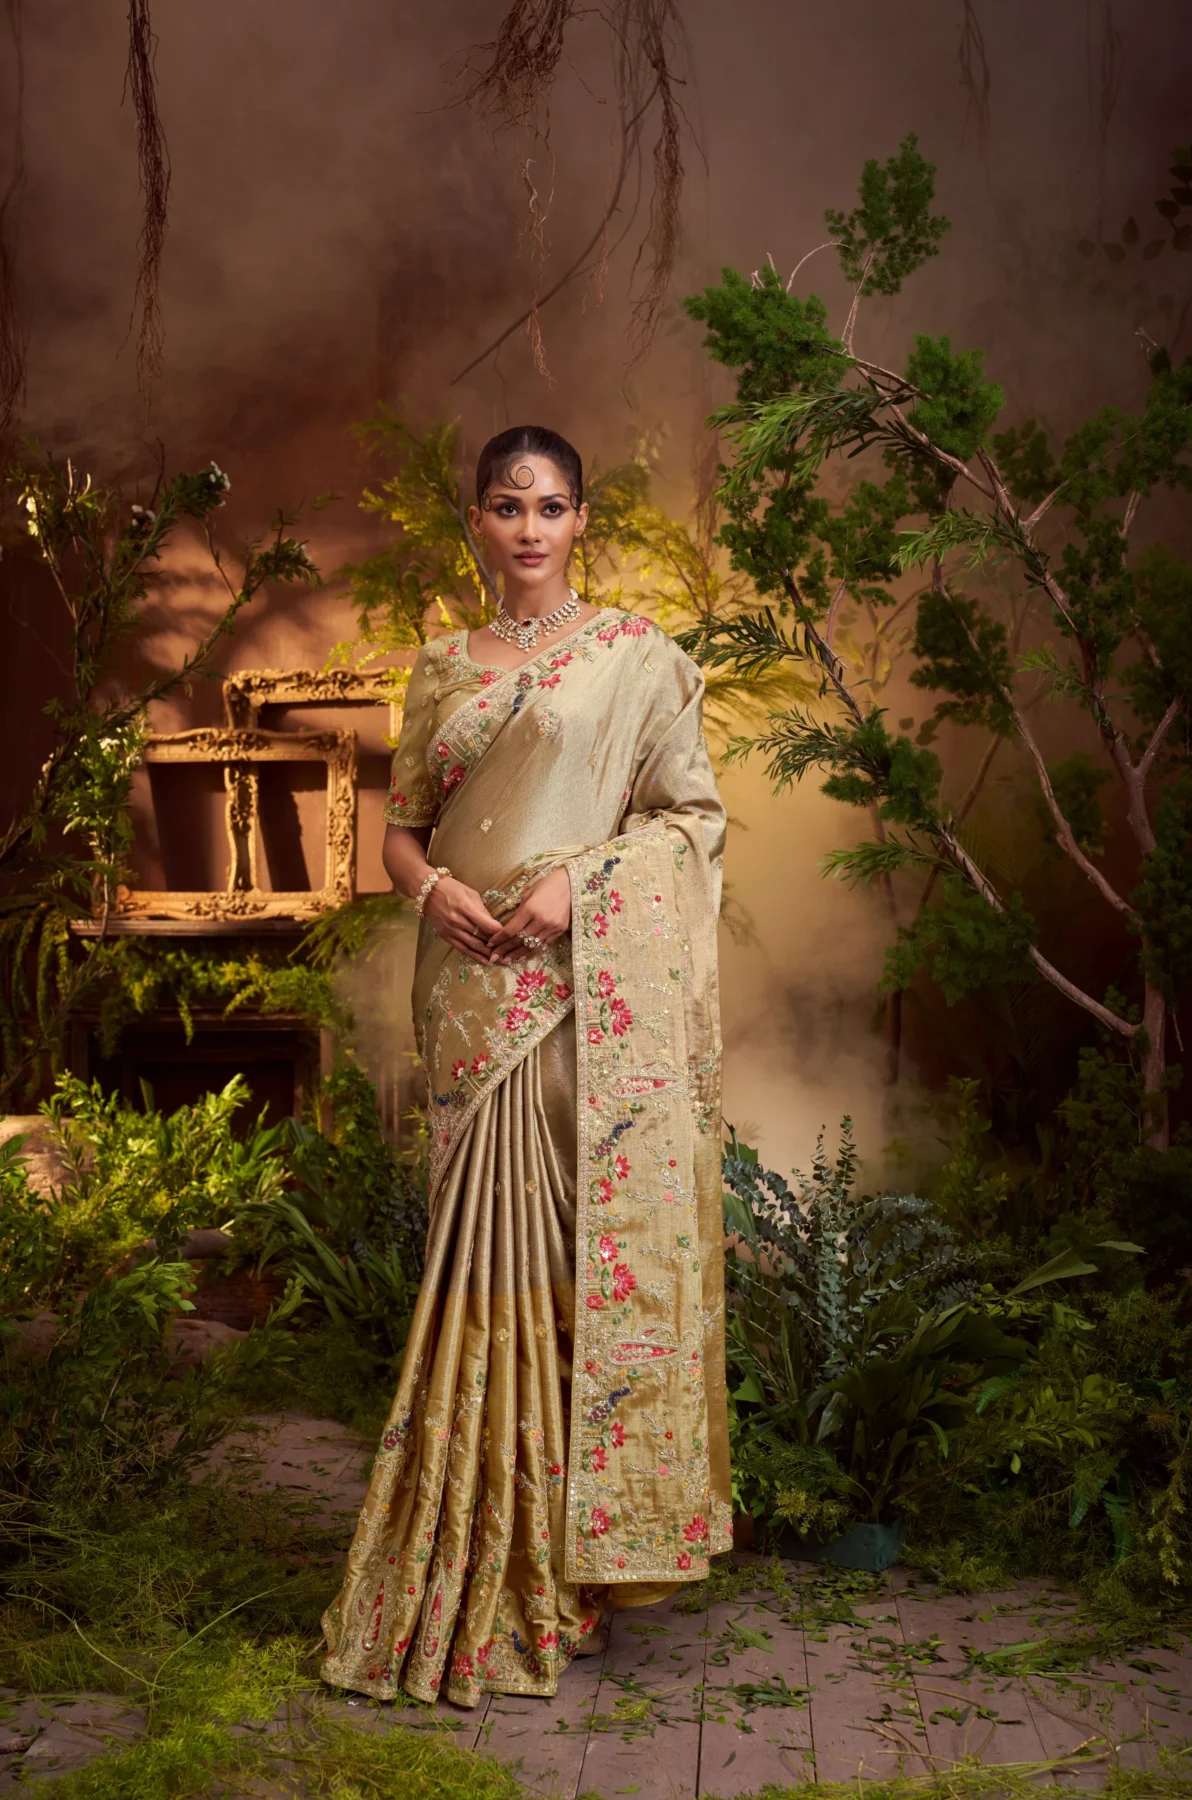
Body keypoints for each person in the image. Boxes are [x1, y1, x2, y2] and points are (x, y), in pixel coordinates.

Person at [320, 425, 730, 1707]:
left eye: (554, 505)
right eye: (508, 506)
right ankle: (479, 1551)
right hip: (466, 997)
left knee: (564, 1263)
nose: (532, 527)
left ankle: (573, 1566)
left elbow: (691, 821)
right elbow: (398, 832)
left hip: (575, 1003)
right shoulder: (442, 665)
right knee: (478, 1258)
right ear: (480, 525)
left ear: (584, 519)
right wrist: (431, 889)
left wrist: (581, 885)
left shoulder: (636, 660)